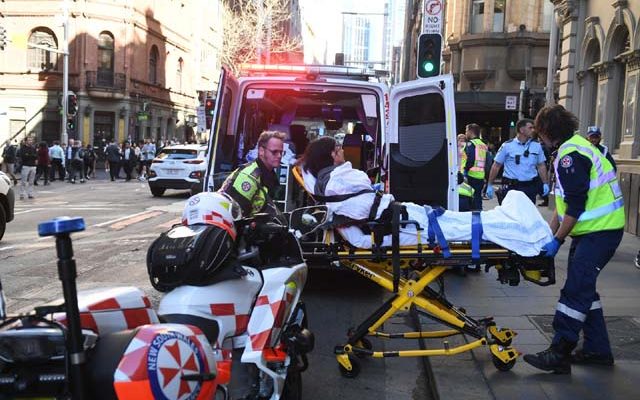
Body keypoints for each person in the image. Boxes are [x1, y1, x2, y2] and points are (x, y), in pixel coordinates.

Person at [522, 105, 624, 374]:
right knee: (585, 289)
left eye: (539, 132)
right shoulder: (574, 147)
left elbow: (576, 206)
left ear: (547, 131)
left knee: (575, 290)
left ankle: (559, 352)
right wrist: (549, 231)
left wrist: (557, 240)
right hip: (596, 231)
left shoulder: (570, 156)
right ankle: (597, 350)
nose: (538, 138)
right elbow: (564, 204)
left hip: (599, 232)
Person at [219, 130, 285, 218]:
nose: (279, 156)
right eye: (274, 152)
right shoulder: (249, 177)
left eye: (281, 152)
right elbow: (234, 214)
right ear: (261, 151)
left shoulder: (269, 174)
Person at [486, 119, 549, 204]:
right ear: (521, 130)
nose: (533, 130)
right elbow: (496, 165)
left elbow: (541, 166)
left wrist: (545, 183)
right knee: (510, 214)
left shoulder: (536, 146)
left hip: (529, 187)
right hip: (511, 187)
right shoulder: (507, 146)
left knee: (527, 214)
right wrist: (490, 184)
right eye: (530, 128)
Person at [463, 123, 487, 210]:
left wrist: (465, 169)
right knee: (478, 198)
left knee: (470, 199)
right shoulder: (483, 144)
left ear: (470, 131)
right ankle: (479, 215)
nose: (465, 133)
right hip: (480, 175)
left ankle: (474, 217)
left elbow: (470, 159)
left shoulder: (471, 143)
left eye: (466, 131)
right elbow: (488, 162)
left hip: (471, 175)